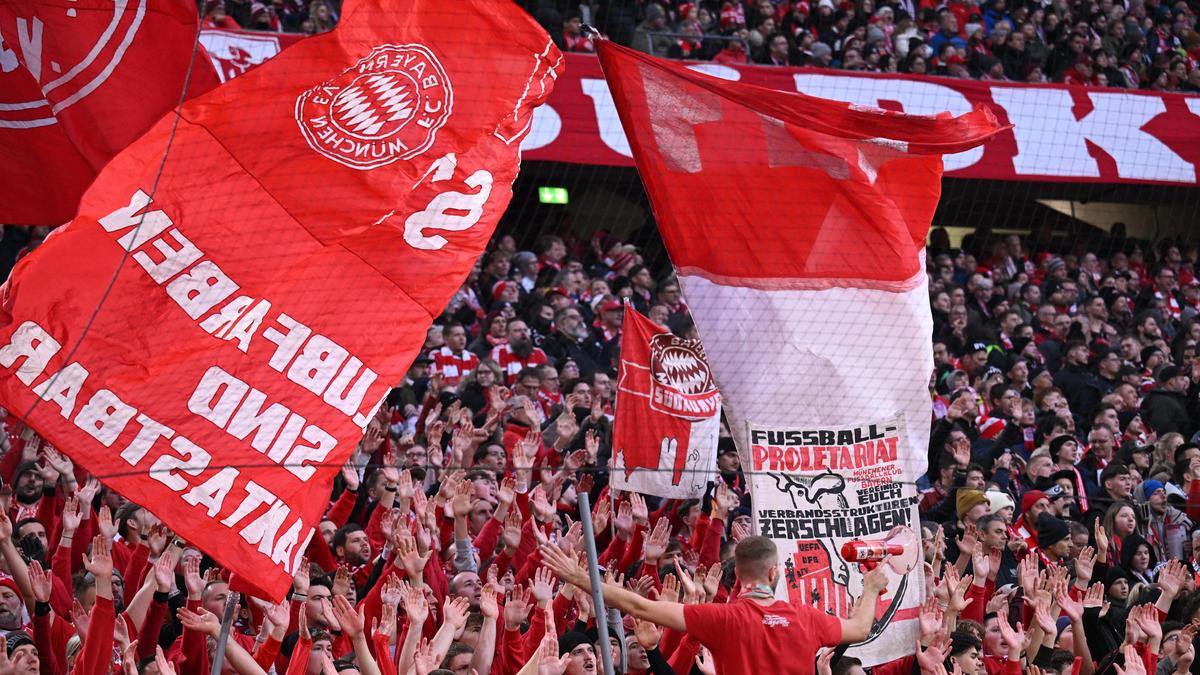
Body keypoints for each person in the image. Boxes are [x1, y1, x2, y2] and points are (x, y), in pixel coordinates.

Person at [540, 536, 890, 675]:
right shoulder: (806, 618)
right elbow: (860, 628)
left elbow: (641, 607)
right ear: (773, 572)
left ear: (738, 574)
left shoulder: (721, 618)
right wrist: (872, 586)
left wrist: (580, 577)